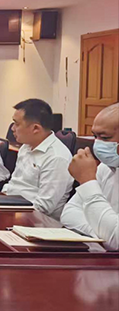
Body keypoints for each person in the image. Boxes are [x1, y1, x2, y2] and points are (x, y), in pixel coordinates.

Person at [3, 99, 73, 219]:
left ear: (35, 128)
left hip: (37, 220)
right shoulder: (26, 147)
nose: (12, 129)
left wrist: (9, 213)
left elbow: (43, 207)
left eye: (17, 124)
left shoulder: (57, 157)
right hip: (10, 207)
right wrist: (0, 199)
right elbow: (13, 184)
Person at [62, 103, 118, 250]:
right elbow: (68, 213)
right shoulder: (106, 167)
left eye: (105, 137)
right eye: (95, 136)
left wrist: (87, 181)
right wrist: (101, 234)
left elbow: (115, 241)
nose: (97, 143)